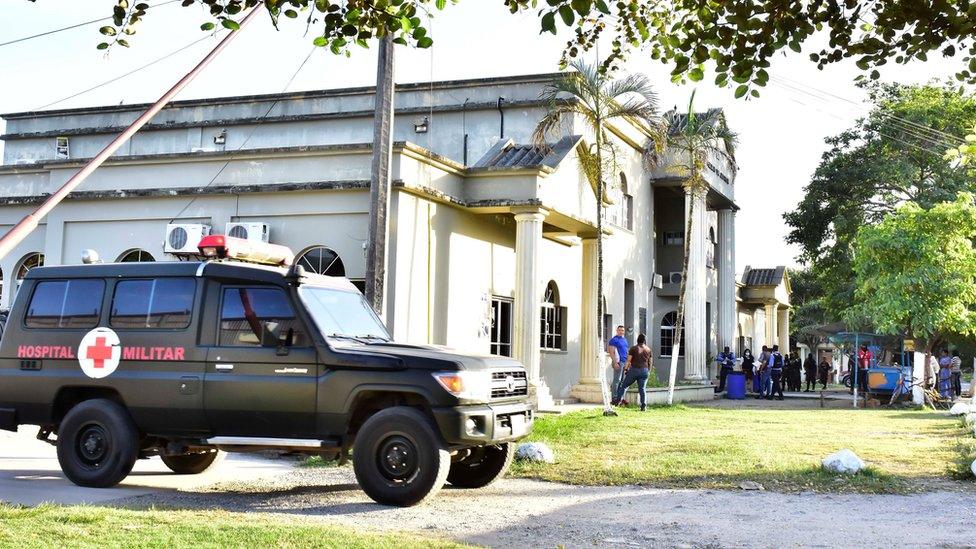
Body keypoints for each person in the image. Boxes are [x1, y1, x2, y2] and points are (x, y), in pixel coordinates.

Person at [613, 333, 652, 411]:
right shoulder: (648, 349)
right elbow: (650, 362)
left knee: (624, 386)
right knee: (642, 389)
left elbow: (628, 360)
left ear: (638, 339)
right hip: (644, 371)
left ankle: (618, 402)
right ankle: (643, 406)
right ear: (644, 340)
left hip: (634, 370)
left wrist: (626, 369)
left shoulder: (633, 348)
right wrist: (648, 371)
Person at [607, 325, 629, 395]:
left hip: (625, 362)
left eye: (622, 330)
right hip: (619, 362)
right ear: (617, 331)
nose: (621, 332)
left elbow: (626, 351)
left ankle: (619, 398)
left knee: (623, 380)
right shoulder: (614, 340)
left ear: (624, 332)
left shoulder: (625, 340)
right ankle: (614, 397)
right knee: (617, 380)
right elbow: (611, 352)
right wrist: (615, 362)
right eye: (619, 330)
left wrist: (628, 362)